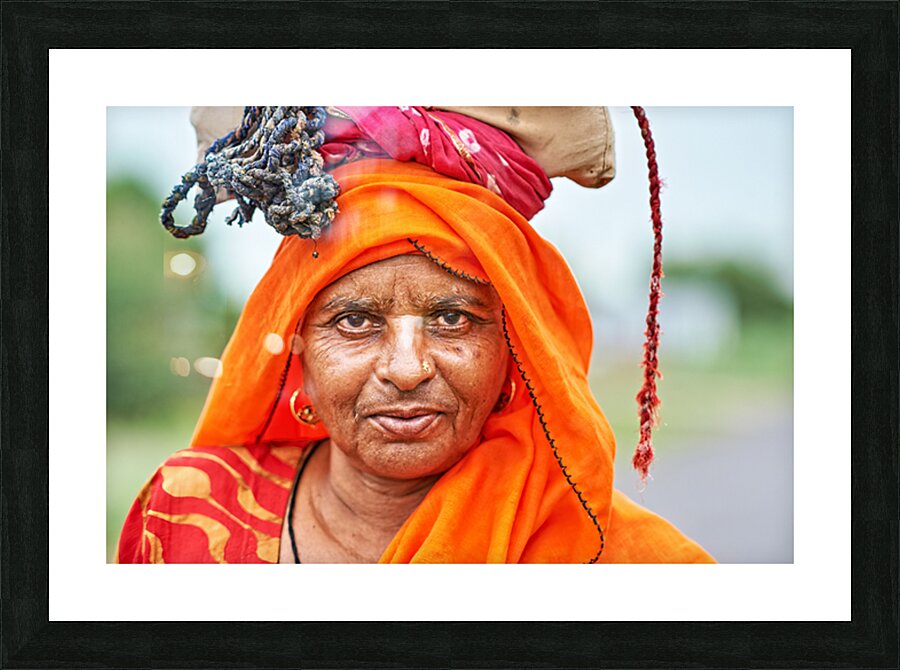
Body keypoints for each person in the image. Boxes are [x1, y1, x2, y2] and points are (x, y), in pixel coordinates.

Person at [116, 106, 714, 564]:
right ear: (296, 344)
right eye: (355, 320)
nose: (406, 369)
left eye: (454, 318)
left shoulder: (628, 564)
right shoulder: (183, 511)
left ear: (515, 349)